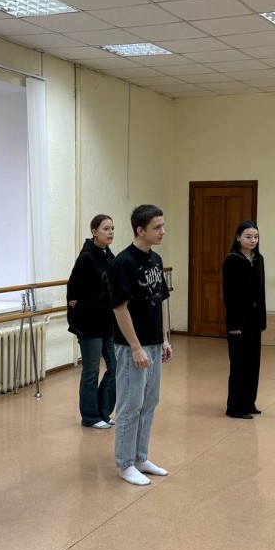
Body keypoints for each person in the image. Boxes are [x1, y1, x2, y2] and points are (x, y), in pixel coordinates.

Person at [109, 204, 172, 486]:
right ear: (140, 230)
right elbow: (119, 308)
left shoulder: (155, 260)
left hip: (154, 342)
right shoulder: (123, 263)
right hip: (131, 346)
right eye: (157, 227)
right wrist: (135, 347)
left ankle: (140, 457)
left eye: (163, 226)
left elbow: (160, 300)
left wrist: (164, 338)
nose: (163, 231)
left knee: (149, 402)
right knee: (130, 405)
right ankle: (125, 464)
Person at [67, 214, 117, 429]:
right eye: (106, 228)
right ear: (94, 232)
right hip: (89, 325)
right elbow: (73, 293)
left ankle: (103, 412)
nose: (110, 232)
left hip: (107, 323)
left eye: (112, 228)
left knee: (115, 366)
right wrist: (83, 306)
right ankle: (90, 416)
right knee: (91, 370)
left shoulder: (109, 256)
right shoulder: (86, 258)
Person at [222, 220, 267, 419]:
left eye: (255, 236)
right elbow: (229, 296)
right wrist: (233, 324)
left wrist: (262, 320)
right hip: (238, 320)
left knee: (253, 363)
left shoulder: (259, 259)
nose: (253, 240)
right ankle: (235, 408)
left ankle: (249, 403)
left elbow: (261, 291)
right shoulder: (231, 260)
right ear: (238, 237)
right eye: (248, 236)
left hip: (254, 319)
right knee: (239, 365)